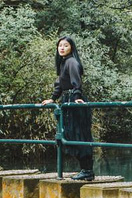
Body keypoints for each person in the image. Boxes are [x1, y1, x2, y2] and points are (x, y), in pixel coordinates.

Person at [39, 36, 94, 180]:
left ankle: (87, 171)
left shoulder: (72, 62)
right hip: (67, 100)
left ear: (71, 48)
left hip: (73, 101)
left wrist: (76, 97)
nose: (62, 48)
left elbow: (76, 81)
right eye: (60, 46)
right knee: (69, 134)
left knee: (79, 135)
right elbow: (59, 84)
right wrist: (53, 98)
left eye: (66, 46)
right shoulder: (63, 63)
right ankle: (86, 170)